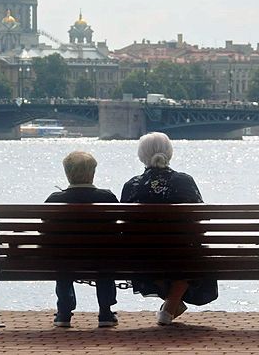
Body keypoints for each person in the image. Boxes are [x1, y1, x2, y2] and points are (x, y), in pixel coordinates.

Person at [120, 132, 218, 325]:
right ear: (170, 153)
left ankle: (171, 303)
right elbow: (200, 221)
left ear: (142, 156)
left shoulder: (132, 185)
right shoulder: (184, 181)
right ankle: (172, 302)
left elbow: (125, 228)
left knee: (148, 253)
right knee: (192, 252)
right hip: (182, 257)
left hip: (142, 258)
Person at [45, 151, 119, 328]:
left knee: (62, 258)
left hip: (65, 259)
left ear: (67, 173)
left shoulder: (54, 200)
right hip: (101, 259)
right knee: (105, 258)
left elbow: (48, 234)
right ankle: (106, 312)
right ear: (93, 173)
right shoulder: (107, 198)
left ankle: (63, 312)